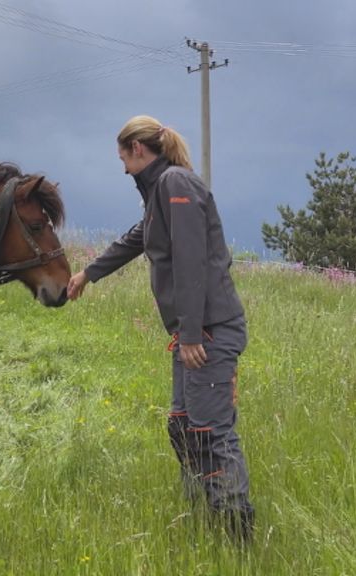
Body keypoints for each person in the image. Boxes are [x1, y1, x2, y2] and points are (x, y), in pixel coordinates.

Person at [67, 115, 255, 542]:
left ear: (138, 148)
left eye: (123, 159)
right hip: (194, 332)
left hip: (208, 331)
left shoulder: (176, 184)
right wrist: (89, 273)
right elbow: (138, 238)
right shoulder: (159, 192)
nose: (122, 169)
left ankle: (235, 537)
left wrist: (190, 333)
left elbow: (191, 261)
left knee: (211, 434)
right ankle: (205, 518)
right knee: (184, 428)